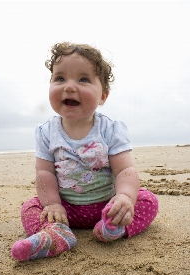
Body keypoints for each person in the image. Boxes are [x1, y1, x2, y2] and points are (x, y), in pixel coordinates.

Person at [11, 42, 158, 261]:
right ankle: (57, 235)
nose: (69, 86)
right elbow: (45, 174)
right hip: (66, 210)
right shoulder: (46, 132)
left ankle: (113, 228)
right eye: (60, 78)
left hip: (108, 206)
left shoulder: (110, 129)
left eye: (83, 79)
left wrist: (124, 198)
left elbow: (125, 169)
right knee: (30, 207)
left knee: (148, 200)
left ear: (103, 96)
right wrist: (52, 204)